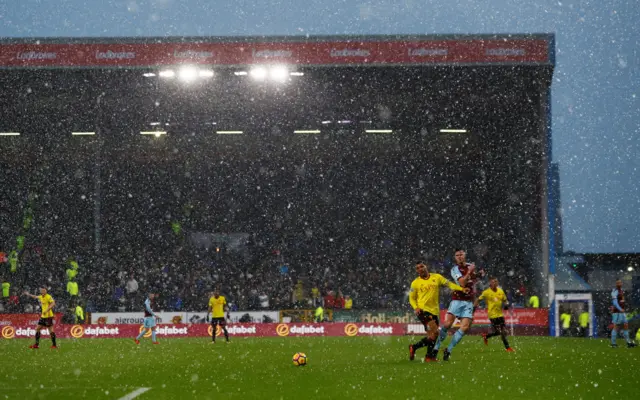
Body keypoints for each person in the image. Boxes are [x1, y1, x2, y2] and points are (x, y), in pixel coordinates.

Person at [408, 262, 468, 362]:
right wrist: (416, 307)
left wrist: (461, 289)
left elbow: (449, 284)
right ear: (416, 271)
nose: (420, 269)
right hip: (423, 311)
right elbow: (411, 298)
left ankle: (425, 354)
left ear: (426, 266)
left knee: (432, 336)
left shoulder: (437, 277)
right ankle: (423, 353)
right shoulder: (415, 283)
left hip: (435, 311)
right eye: (417, 268)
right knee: (436, 332)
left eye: (422, 266)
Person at [434, 249, 483, 361]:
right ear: (455, 258)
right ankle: (436, 348)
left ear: (465, 255)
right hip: (457, 300)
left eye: (461, 254)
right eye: (457, 255)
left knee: (465, 327)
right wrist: (470, 272)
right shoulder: (454, 269)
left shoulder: (470, 266)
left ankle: (448, 350)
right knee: (447, 324)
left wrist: (479, 274)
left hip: (469, 302)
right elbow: (462, 282)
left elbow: (473, 278)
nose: (460, 256)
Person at [475, 277, 514, 352]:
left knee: (501, 332)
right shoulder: (486, 292)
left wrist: (506, 305)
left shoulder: (500, 291)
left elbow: (505, 300)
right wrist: (474, 308)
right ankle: (507, 347)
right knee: (501, 332)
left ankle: (486, 336)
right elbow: (478, 299)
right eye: (493, 282)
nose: (495, 283)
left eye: (496, 282)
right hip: (492, 315)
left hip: (500, 314)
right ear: (490, 283)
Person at [610, 279, 636, 348]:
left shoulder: (621, 291)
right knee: (616, 327)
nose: (620, 284)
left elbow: (621, 301)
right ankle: (613, 344)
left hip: (622, 312)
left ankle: (628, 342)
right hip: (617, 312)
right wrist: (620, 309)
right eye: (618, 283)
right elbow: (614, 302)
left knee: (625, 325)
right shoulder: (615, 291)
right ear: (616, 284)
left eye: (620, 282)